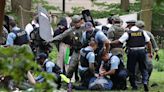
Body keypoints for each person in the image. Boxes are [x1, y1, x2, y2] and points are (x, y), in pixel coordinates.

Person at [111, 24, 152, 91]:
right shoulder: (142, 32)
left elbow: (119, 41)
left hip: (132, 52)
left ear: (129, 26)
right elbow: (149, 43)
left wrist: (109, 42)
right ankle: (145, 82)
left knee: (131, 69)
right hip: (142, 51)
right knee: (143, 68)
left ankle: (134, 86)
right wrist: (150, 52)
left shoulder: (128, 33)